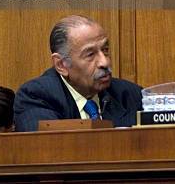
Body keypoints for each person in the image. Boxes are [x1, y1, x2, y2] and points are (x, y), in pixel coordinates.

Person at [14, 15, 142, 131]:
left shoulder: (131, 94)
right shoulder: (37, 96)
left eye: (105, 50)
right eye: (90, 54)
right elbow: (49, 150)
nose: (105, 62)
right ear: (61, 64)